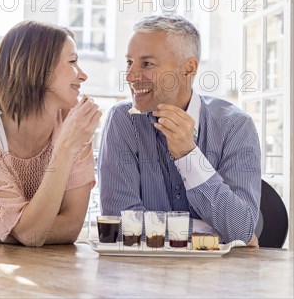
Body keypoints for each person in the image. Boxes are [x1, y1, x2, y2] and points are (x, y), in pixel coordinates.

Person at [98, 14, 261, 245]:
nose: (131, 76)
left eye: (147, 64)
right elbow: (122, 228)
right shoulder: (122, 121)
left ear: (188, 69)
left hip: (217, 278)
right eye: (129, 62)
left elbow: (239, 229)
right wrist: (210, 232)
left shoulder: (235, 126)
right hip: (140, 276)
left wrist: (189, 155)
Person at [0, 21, 101, 247]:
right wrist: (65, 148)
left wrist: (1, 234)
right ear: (38, 70)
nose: (83, 75)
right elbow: (32, 233)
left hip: (46, 269)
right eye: (72, 62)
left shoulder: (73, 130)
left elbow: (71, 227)